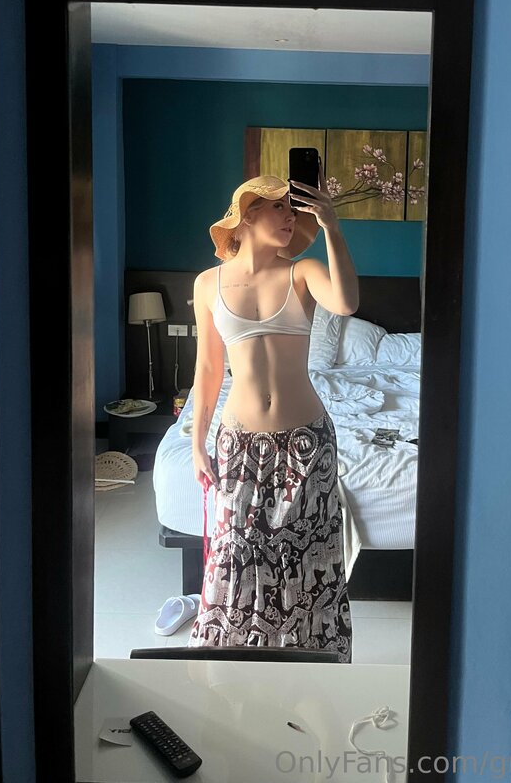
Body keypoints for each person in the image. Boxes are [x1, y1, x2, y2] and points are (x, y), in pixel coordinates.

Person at [186, 159, 358, 662]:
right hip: (238, 444)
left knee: (309, 558)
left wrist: (332, 226)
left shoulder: (303, 272)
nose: (289, 217)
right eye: (278, 207)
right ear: (246, 216)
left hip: (307, 443)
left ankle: (308, 665)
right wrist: (196, 442)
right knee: (234, 554)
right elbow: (207, 370)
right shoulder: (207, 284)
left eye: (292, 209)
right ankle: (234, 664)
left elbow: (346, 302)